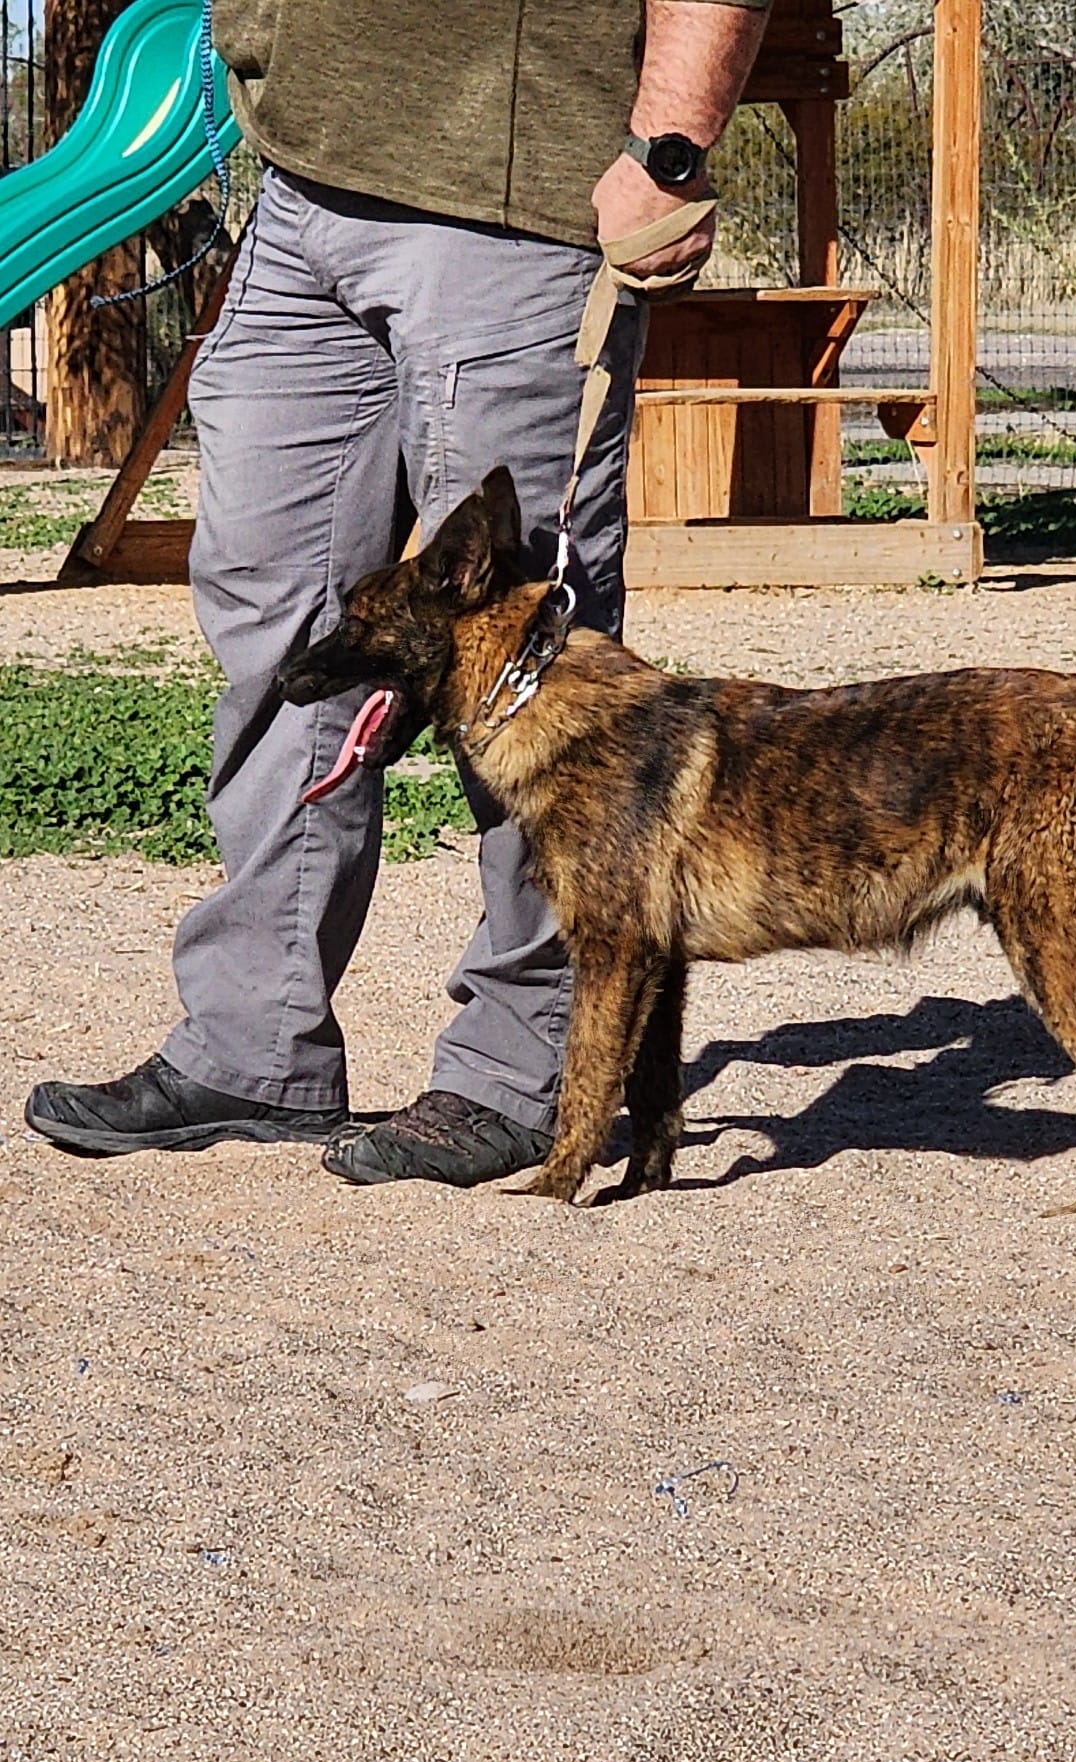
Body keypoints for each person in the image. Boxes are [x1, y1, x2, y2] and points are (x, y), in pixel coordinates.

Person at [25, 0, 768, 1187]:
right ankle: (253, 1043)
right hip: (303, 186)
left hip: (511, 202)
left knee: (527, 660)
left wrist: (668, 148)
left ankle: (521, 1074)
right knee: (279, 625)